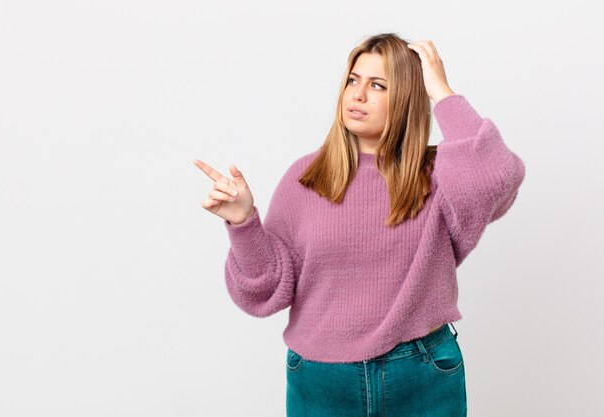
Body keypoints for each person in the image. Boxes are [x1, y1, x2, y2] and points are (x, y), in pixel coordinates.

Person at [194, 32, 525, 417]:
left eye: (377, 85)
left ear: (404, 98)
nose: (358, 94)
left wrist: (441, 92)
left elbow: (498, 174)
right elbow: (265, 292)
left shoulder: (438, 175)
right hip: (322, 379)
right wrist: (243, 223)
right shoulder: (307, 177)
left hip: (421, 370)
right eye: (353, 80)